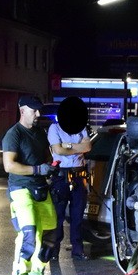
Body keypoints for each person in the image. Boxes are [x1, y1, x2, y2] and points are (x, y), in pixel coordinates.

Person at [1, 96, 59, 275]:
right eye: (34, 110)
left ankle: (37, 273)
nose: (38, 114)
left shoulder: (40, 132)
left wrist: (51, 167)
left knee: (51, 233)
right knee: (29, 233)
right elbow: (9, 166)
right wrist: (37, 170)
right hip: (21, 189)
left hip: (41, 188)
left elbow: (47, 157)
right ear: (22, 110)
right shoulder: (13, 134)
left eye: (39, 110)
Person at [47, 96, 94, 260]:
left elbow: (87, 146)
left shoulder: (81, 128)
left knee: (78, 216)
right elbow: (57, 151)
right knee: (58, 216)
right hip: (61, 176)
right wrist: (77, 148)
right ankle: (53, 251)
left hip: (79, 175)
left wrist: (67, 146)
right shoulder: (55, 128)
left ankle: (78, 250)